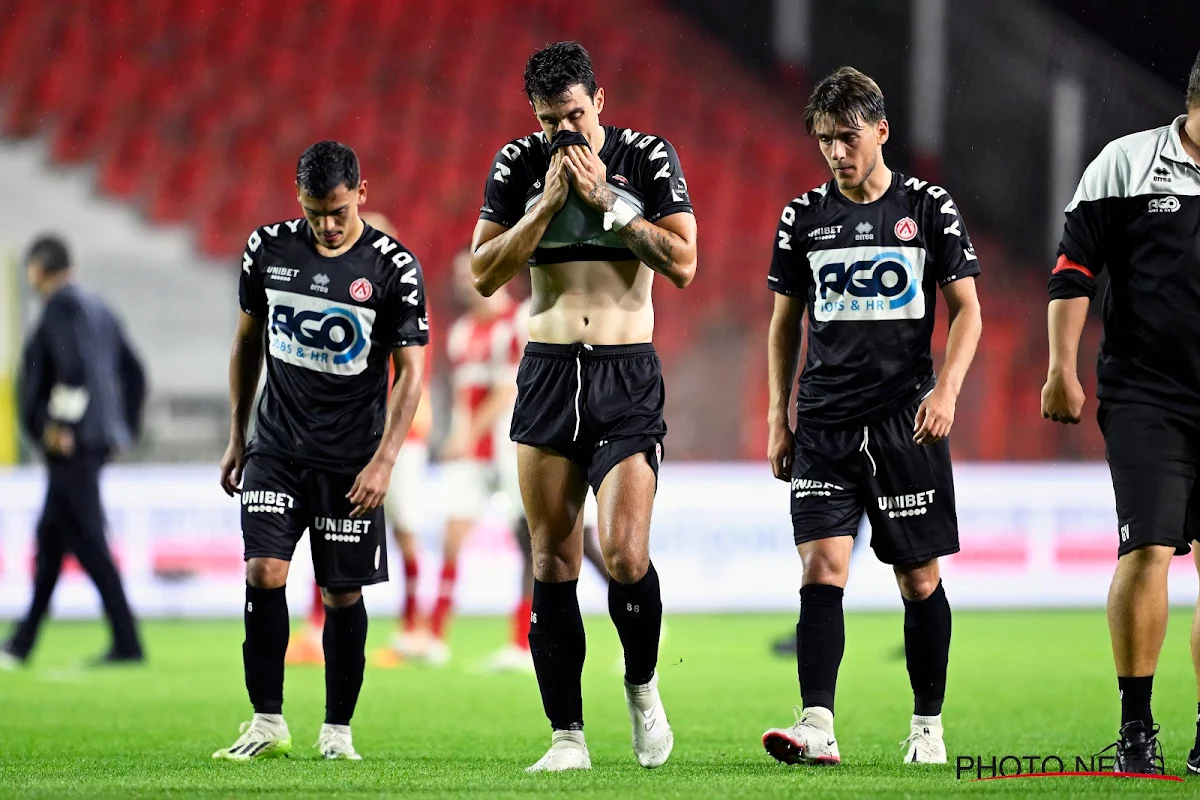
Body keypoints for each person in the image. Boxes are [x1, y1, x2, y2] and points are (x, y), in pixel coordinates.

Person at [470, 41, 696, 772]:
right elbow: (483, 272)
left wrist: (608, 202)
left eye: (573, 114)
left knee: (626, 554)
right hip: (547, 368)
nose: (562, 132)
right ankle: (568, 735)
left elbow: (684, 263)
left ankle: (641, 688)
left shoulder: (646, 156)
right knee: (552, 556)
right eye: (547, 121)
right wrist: (545, 208)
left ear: (599, 101)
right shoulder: (517, 165)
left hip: (625, 371)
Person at [760, 67, 982, 767]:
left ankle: (927, 727)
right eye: (824, 139)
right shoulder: (803, 216)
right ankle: (817, 727)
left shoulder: (928, 206)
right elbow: (782, 327)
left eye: (846, 137)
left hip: (902, 422)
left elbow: (970, 311)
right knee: (821, 568)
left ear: (881, 130)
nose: (834, 151)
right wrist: (778, 413)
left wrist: (945, 393)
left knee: (918, 578)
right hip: (824, 423)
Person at [213, 141, 428, 761]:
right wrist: (236, 435)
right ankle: (266, 720)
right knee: (264, 570)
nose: (327, 226)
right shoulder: (268, 249)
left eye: (337, 211)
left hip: (351, 460)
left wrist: (385, 460)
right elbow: (246, 341)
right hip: (276, 446)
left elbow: (411, 374)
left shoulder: (393, 268)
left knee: (342, 596)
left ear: (362, 194)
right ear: (297, 200)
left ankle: (337, 731)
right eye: (314, 212)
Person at [1041, 50, 1200, 776]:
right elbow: (1073, 270)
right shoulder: (1126, 164)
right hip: (1146, 394)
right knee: (1147, 551)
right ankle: (1137, 728)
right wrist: (1060, 371)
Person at [286, 211, 434, 669]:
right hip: (353, 433)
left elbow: (411, 372)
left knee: (405, 529)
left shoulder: (397, 292)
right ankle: (316, 627)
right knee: (328, 520)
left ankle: (414, 630)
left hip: (398, 434)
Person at [1, 235, 146, 668]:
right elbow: (135, 374)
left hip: (73, 445)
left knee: (88, 541)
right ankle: (22, 642)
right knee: (52, 539)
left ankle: (127, 642)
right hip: (93, 440)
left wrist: (61, 424)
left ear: (39, 269)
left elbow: (73, 367)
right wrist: (122, 429)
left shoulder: (61, 306)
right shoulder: (99, 308)